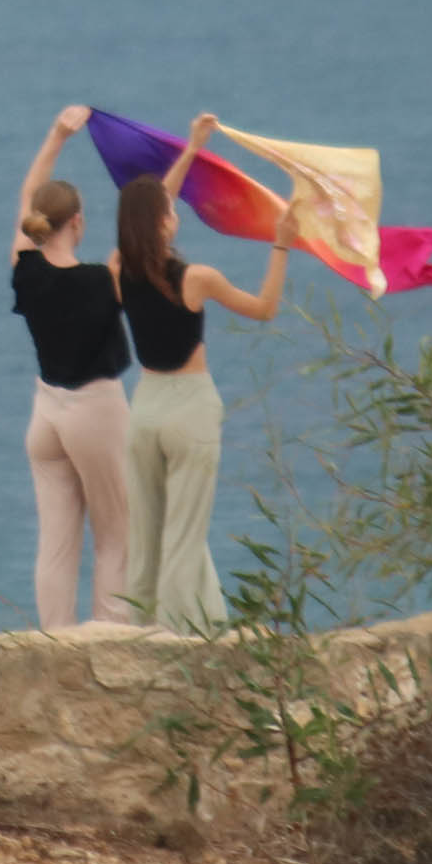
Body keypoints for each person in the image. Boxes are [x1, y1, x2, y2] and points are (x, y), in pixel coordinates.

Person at [110, 113, 296, 632]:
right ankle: (183, 636)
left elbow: (151, 214)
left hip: (144, 408)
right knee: (185, 536)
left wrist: (191, 150)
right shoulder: (197, 278)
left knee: (146, 533)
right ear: (164, 221)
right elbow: (264, 308)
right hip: (189, 407)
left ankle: (140, 629)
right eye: (170, 212)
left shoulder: (117, 270)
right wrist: (281, 243)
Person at [10, 105, 135, 629]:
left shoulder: (26, 269)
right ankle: (110, 635)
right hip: (95, 411)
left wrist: (57, 135)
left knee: (57, 544)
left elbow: (28, 195)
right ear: (78, 222)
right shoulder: (103, 280)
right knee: (117, 536)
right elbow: (145, 231)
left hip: (46, 414)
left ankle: (54, 639)